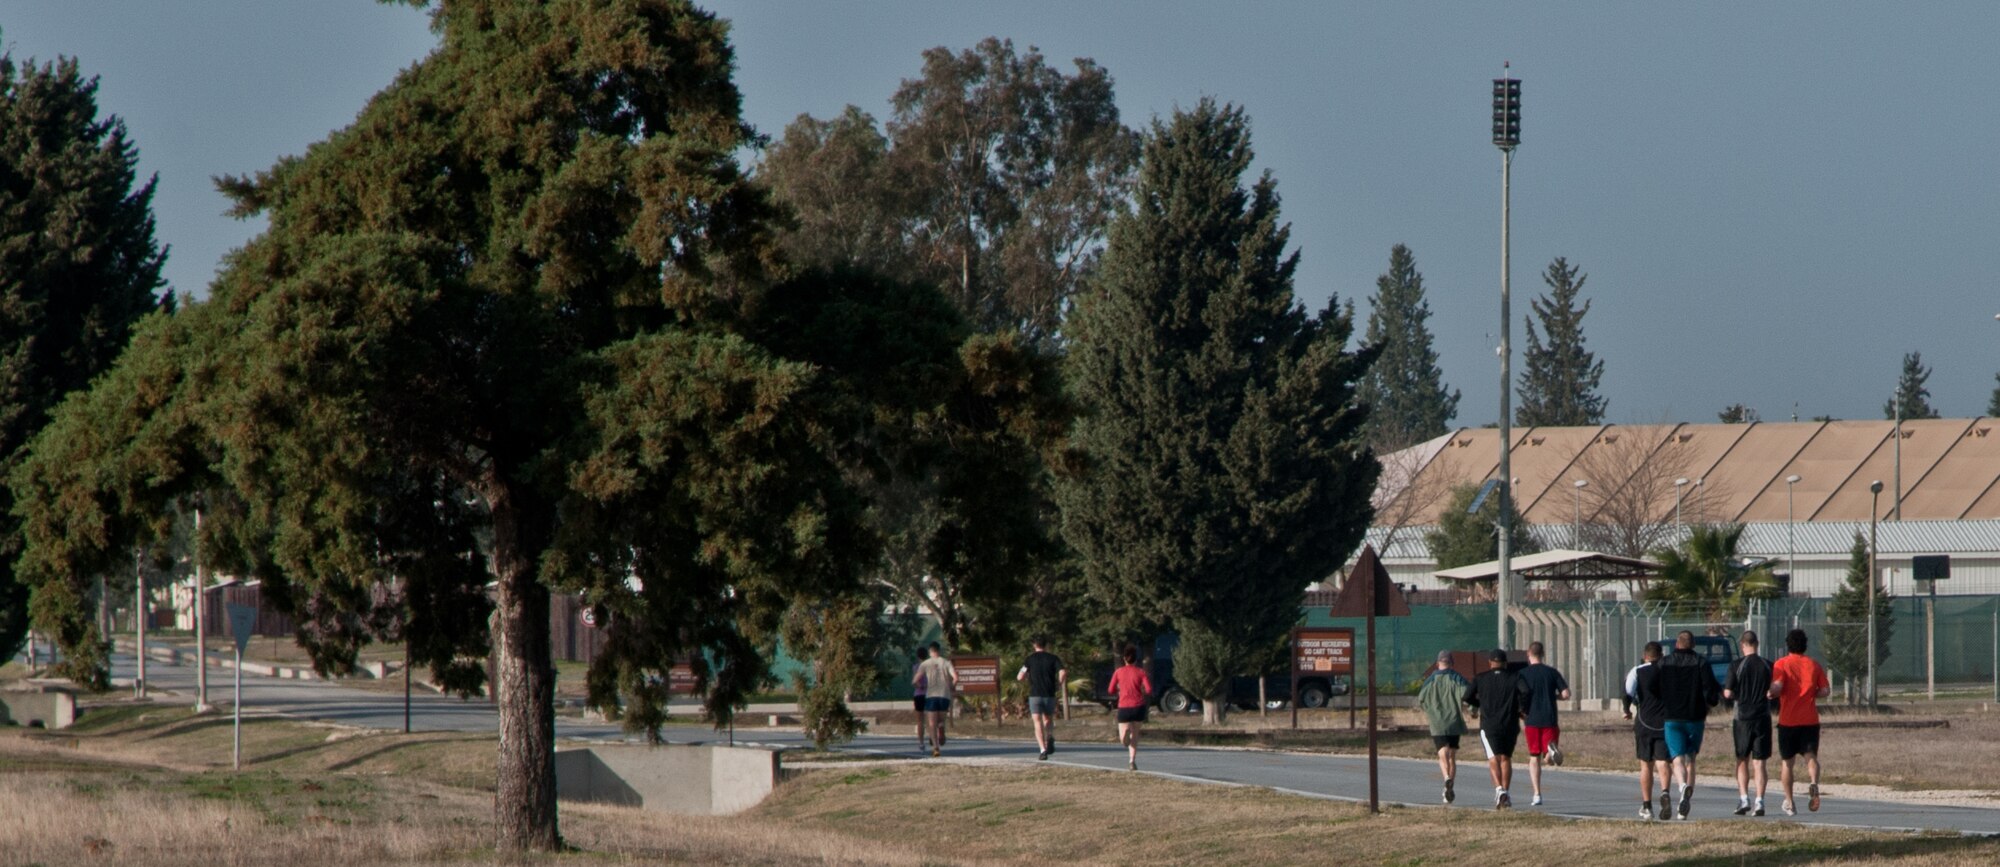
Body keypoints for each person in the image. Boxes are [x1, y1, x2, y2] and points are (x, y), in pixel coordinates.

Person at [1658, 630, 1721, 820]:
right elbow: (1710, 689)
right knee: (1691, 758)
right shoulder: (1701, 662)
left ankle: (1681, 786)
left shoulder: (1665, 662)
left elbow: (1656, 686)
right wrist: (1711, 703)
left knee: (1677, 758)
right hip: (1695, 717)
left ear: (1677, 644)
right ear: (1693, 645)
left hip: (1672, 717)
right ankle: (1684, 806)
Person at [1768, 628, 1830, 816]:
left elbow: (1777, 687)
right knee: (1810, 756)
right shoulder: (1813, 665)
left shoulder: (1782, 664)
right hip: (1810, 719)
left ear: (1788, 645)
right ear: (1805, 645)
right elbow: (1825, 691)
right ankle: (1813, 783)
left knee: (1787, 763)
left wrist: (1770, 692)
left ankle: (1789, 801)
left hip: (1788, 721)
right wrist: (1813, 693)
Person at [1465, 648, 1527, 810]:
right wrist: (1521, 708)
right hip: (1510, 723)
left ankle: (1499, 790)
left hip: (1489, 725)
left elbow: (1467, 696)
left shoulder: (1481, 679)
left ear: (1490, 663)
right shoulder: (1515, 677)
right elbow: (1526, 691)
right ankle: (1505, 792)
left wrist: (1480, 705)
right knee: (1505, 758)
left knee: (1493, 759)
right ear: (1506, 663)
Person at [1723, 629, 1776, 816]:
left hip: (1742, 717)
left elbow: (1728, 692)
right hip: (1762, 716)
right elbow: (1773, 690)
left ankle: (1744, 798)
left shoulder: (1736, 665)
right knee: (1759, 763)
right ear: (1757, 644)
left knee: (1741, 759)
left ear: (1742, 645)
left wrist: (1732, 695)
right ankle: (1760, 801)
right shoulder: (1768, 665)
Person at [1517, 640, 1571, 806]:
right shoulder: (1552, 672)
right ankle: (1550, 752)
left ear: (1528, 653)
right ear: (1543, 654)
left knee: (1534, 757)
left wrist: (1521, 712)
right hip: (1550, 718)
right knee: (1548, 759)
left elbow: (1519, 695)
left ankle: (1537, 794)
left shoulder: (1523, 674)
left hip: (1531, 719)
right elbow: (1566, 694)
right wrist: (1553, 696)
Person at [1623, 641, 1672, 820]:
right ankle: (1665, 791)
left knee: (1646, 764)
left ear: (1645, 655)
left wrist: (1626, 710)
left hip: (1644, 722)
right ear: (1661, 655)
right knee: (1663, 761)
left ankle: (1647, 806)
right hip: (1664, 722)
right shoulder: (1669, 671)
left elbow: (1628, 691)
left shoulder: (1637, 671)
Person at [1417, 649, 1471, 804]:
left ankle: (1446, 778)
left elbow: (1421, 699)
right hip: (1454, 721)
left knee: (1442, 754)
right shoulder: (1457, 678)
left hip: (1437, 722)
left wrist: (1430, 710)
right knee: (1452, 756)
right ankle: (1449, 786)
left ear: (1437, 663)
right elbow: (1468, 694)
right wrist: (1473, 710)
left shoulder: (1430, 680)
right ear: (1451, 663)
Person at [1017, 637, 1067, 760]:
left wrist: (1026, 677)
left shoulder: (1029, 659)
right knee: (1048, 718)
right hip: (1049, 693)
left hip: (1035, 694)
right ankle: (1049, 735)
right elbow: (1062, 671)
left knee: (1037, 721)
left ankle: (1042, 749)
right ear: (1045, 645)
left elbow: (1020, 676)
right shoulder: (1053, 658)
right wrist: (1059, 683)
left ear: (1034, 645)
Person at [1106, 644, 1153, 771]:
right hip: (1138, 706)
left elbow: (1110, 690)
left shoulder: (1118, 672)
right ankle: (1132, 760)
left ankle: (1124, 738)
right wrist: (1140, 690)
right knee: (1135, 735)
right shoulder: (1141, 672)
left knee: (1123, 738)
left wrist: (1119, 689)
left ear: (1124, 659)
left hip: (1124, 706)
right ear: (1136, 659)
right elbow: (1149, 689)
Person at [912, 642, 958, 757]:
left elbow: (915, 680)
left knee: (932, 723)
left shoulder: (926, 664)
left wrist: (919, 685)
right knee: (940, 720)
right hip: (944, 695)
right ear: (939, 650)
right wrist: (951, 686)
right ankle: (941, 727)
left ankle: (936, 748)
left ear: (930, 651)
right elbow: (956, 678)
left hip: (931, 695)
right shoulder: (946, 663)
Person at [911, 647, 931, 753]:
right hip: (929, 694)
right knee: (930, 718)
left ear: (918, 656)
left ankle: (921, 742)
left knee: (920, 721)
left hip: (918, 694)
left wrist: (920, 686)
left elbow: (915, 681)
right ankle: (932, 737)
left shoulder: (916, 667)